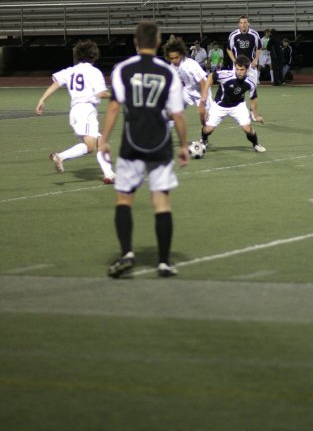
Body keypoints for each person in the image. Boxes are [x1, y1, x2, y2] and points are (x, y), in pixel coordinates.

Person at [99, 21, 189, 279]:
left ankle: (127, 253)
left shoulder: (123, 69)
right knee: (161, 202)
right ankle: (163, 262)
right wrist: (183, 145)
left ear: (136, 43)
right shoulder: (168, 71)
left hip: (132, 142)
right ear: (158, 43)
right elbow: (178, 115)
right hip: (160, 143)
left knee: (124, 199)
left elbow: (115, 107)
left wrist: (104, 139)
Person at [35, 39, 115, 184]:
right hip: (86, 110)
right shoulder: (94, 72)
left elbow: (56, 83)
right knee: (91, 146)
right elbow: (102, 93)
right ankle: (61, 156)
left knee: (100, 143)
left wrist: (42, 99)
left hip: (76, 111)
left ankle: (109, 174)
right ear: (94, 55)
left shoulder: (71, 70)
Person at [199, 55, 266, 153]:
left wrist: (255, 115)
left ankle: (256, 144)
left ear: (247, 69)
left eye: (242, 69)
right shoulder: (227, 75)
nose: (239, 72)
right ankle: (204, 140)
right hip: (219, 106)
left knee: (248, 129)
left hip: (238, 106)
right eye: (237, 69)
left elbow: (253, 98)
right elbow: (211, 76)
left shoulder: (250, 82)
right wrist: (204, 93)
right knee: (208, 130)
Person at [164, 37, 213, 131]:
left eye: (176, 57)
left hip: (202, 90)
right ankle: (165, 135)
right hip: (188, 90)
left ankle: (204, 137)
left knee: (203, 118)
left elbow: (203, 83)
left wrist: (202, 101)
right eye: (171, 58)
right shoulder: (172, 66)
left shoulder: (191, 65)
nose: (174, 60)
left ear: (181, 55)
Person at [226, 15, 262, 88]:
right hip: (238, 65)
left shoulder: (254, 34)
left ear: (248, 23)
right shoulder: (233, 35)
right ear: (239, 24)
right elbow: (229, 49)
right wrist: (234, 61)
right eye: (241, 23)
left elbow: (259, 48)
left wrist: (256, 60)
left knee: (253, 87)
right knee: (237, 87)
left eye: (245, 22)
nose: (243, 25)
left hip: (250, 64)